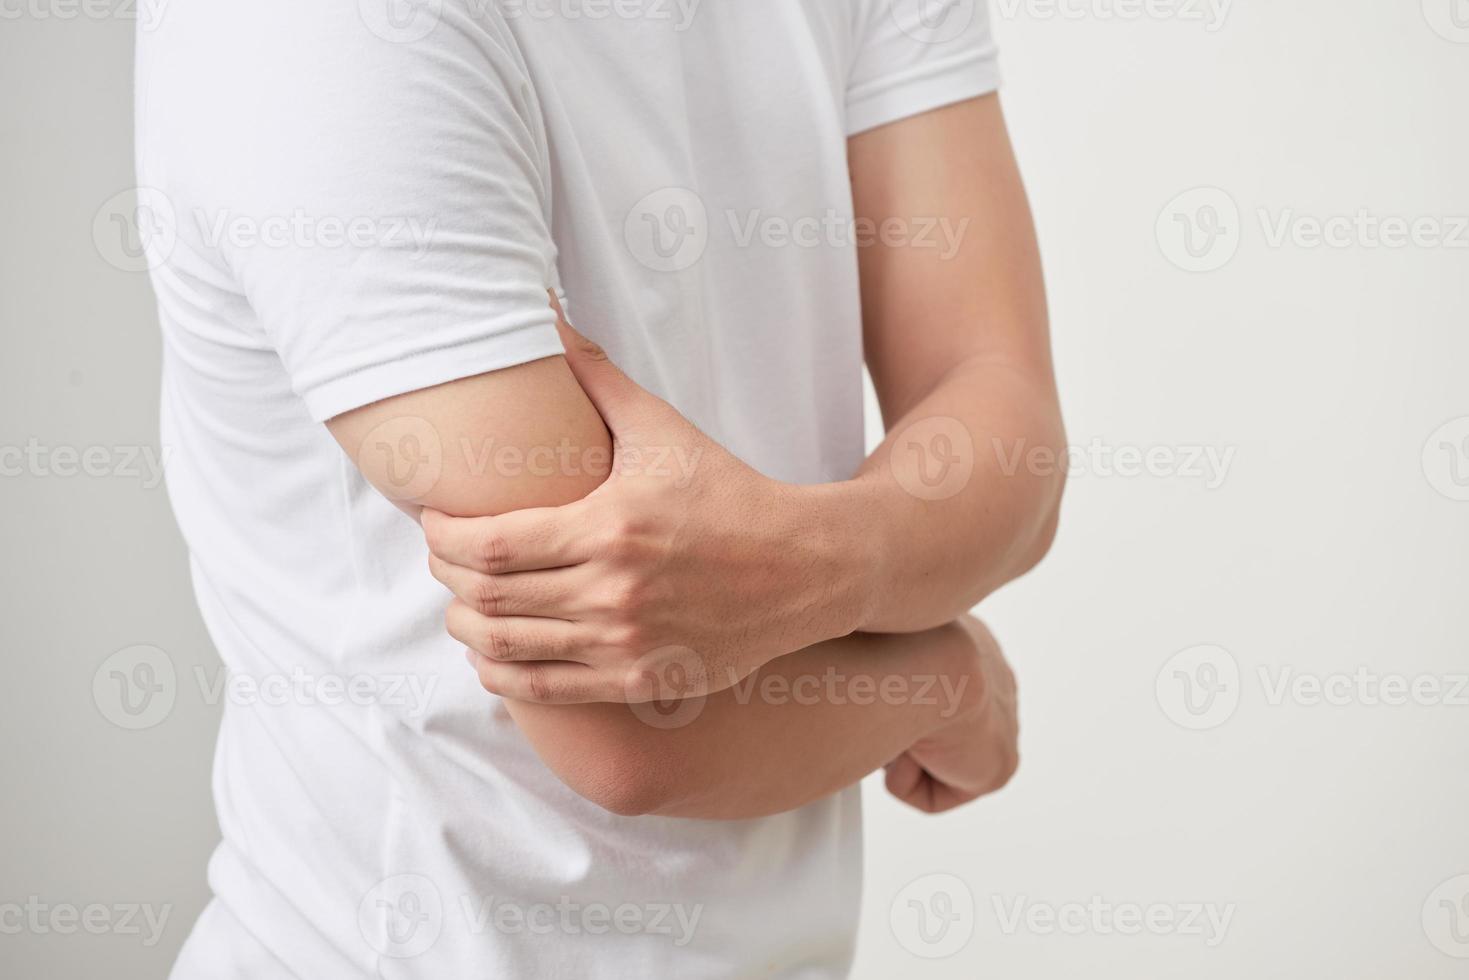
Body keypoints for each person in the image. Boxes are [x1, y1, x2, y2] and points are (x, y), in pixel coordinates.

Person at [136, 0, 1065, 975]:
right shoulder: (319, 30)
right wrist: (938, 677)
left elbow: (1004, 413)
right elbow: (629, 728)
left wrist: (826, 559)